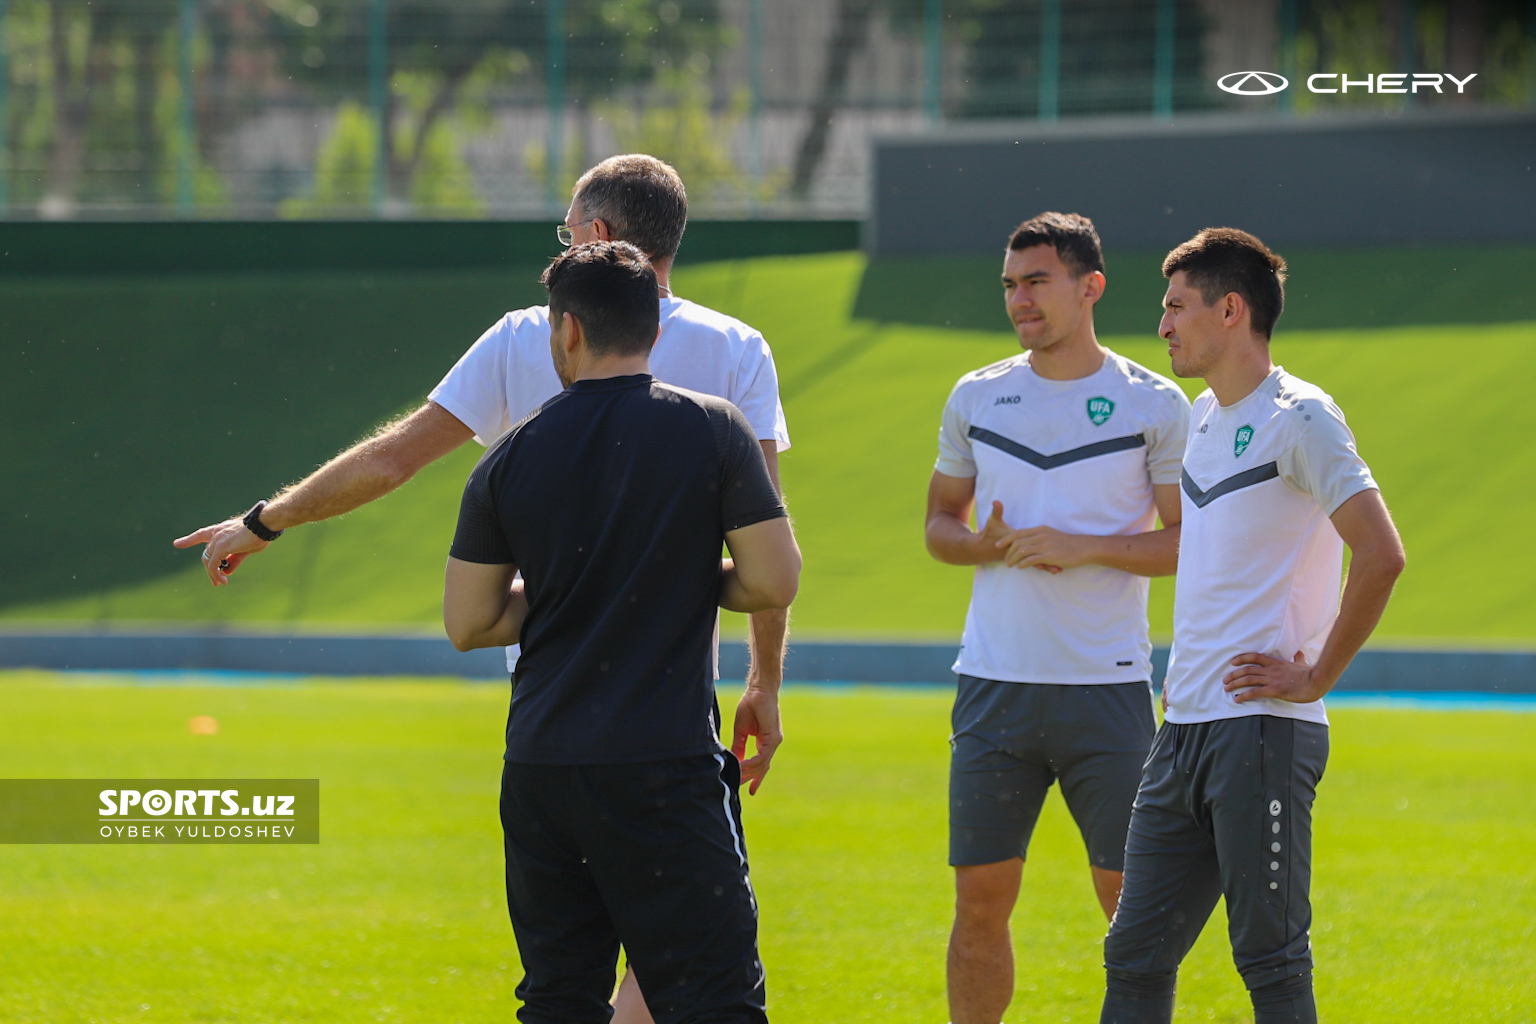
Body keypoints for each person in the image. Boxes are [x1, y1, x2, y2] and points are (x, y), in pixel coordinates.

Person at [173, 154, 790, 1023]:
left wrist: (266, 520)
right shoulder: (734, 353)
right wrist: (763, 677)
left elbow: (394, 462)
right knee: (705, 966)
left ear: (596, 239)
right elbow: (769, 543)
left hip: (546, 730)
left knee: (562, 986)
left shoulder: (521, 342)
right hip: (669, 716)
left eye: (566, 230)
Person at [442, 240, 800, 1024]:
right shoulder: (713, 428)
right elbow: (774, 579)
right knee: (716, 998)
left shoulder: (510, 456)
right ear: (654, 330)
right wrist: (667, 576)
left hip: (542, 766)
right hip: (662, 764)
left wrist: (571, 588)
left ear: (567, 330)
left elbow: (468, 621)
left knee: (559, 999)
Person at [1099, 228, 1405, 1024]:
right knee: (1134, 952)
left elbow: (1382, 555)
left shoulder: (1302, 418)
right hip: (1185, 730)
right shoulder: (1201, 416)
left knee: (1269, 961)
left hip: (1263, 731)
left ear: (1230, 309)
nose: (1162, 324)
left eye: (1175, 306)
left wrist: (1313, 678)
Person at [924, 212, 1192, 1024]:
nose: (1019, 300)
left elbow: (1186, 544)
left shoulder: (1155, 402)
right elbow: (940, 526)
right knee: (978, 910)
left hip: (1105, 691)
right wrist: (983, 546)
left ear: (1091, 287)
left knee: (1128, 908)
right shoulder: (977, 395)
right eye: (1010, 284)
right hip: (993, 688)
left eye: (1036, 281)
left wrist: (1085, 547)